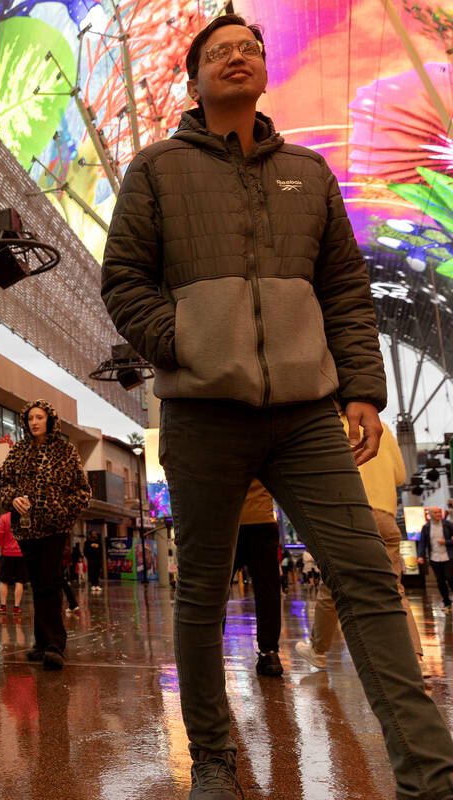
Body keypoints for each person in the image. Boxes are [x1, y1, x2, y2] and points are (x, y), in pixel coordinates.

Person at [100, 13, 453, 797]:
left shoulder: (311, 174)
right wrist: (190, 342)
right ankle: (215, 759)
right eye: (219, 51)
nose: (239, 57)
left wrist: (362, 387)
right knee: (200, 589)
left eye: (250, 49)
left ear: (264, 73)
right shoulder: (156, 170)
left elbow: (344, 290)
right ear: (192, 80)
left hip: (304, 412)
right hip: (201, 411)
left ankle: (431, 775)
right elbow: (124, 282)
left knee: (364, 574)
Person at [297, 422, 424, 672]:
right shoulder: (381, 427)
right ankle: (415, 660)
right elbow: (400, 476)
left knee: (333, 587)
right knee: (394, 589)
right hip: (385, 517)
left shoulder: (327, 424)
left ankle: (318, 650)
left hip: (348, 512)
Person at [0, 400, 92, 671]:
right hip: (26, 529)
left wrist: (61, 512)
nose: (34, 422)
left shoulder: (65, 450)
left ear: (50, 420)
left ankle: (55, 646)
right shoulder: (20, 451)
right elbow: (2, 481)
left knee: (49, 582)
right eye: (30, 418)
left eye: (39, 417)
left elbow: (83, 491)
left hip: (54, 529)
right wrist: (12, 498)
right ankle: (40, 643)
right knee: (37, 584)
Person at [230, 481, 282, 677]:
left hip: (226, 520)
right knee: (267, 591)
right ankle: (270, 654)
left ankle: (210, 653)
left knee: (215, 592)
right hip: (262, 519)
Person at [419, 507, 453, 610]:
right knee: (440, 581)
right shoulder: (426, 527)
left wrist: (446, 542)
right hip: (434, 558)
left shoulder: (447, 524)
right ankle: (447, 602)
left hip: (448, 557)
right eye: (435, 512)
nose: (438, 514)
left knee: (450, 577)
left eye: (439, 512)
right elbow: (422, 543)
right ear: (429, 514)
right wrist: (420, 556)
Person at [0, 510, 26, 616]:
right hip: (21, 553)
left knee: (3, 581)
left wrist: (0, 549)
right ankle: (16, 608)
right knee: (19, 580)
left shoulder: (4, 517)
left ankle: (3, 606)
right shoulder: (25, 517)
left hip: (7, 553)